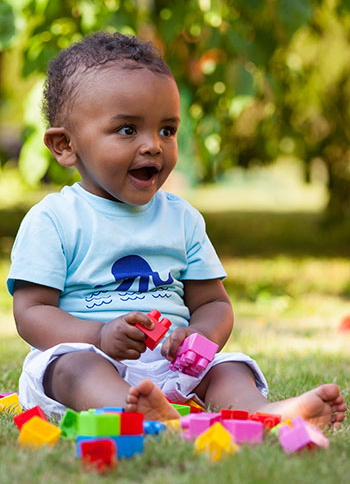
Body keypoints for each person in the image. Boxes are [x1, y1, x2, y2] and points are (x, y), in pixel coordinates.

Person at [7, 32, 346, 427]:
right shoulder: (56, 218)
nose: (154, 146)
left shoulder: (182, 218)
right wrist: (98, 336)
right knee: (74, 369)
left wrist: (197, 336)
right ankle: (129, 409)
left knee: (227, 369)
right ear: (65, 145)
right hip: (89, 356)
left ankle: (267, 414)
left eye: (167, 130)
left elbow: (214, 304)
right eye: (128, 130)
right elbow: (31, 311)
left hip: (173, 368)